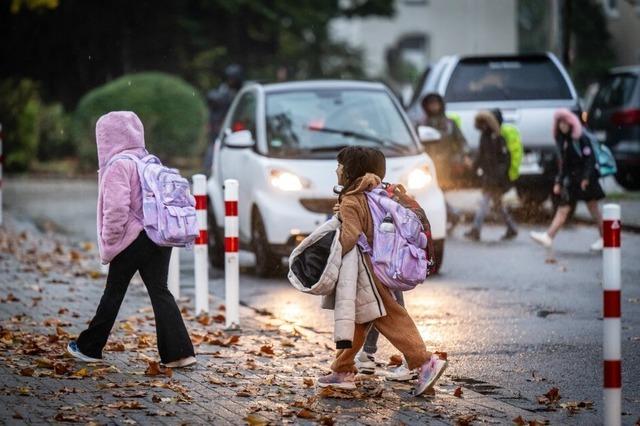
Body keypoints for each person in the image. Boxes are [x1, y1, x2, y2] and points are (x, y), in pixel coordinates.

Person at [67, 111, 196, 368]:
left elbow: (116, 210)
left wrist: (110, 241)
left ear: (107, 137)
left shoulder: (118, 165)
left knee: (114, 291)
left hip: (132, 238)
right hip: (159, 235)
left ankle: (89, 348)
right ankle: (179, 354)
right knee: (160, 291)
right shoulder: (150, 161)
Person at [317, 146, 447, 395]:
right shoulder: (374, 192)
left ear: (349, 172)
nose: (336, 170)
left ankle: (424, 361)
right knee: (359, 320)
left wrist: (331, 255)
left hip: (365, 270)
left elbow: (351, 235)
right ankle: (342, 369)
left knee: (390, 317)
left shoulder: (351, 199)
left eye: (340, 167)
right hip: (376, 266)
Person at [530, 109, 604, 250]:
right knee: (564, 209)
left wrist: (586, 178)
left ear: (571, 123)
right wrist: (559, 181)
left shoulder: (581, 138)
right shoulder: (565, 140)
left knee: (593, 210)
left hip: (585, 181)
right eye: (560, 123)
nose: (562, 125)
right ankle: (549, 236)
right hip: (574, 181)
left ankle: (605, 237)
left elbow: (590, 159)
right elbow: (565, 164)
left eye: (565, 122)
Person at [464, 111, 518, 241]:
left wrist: (499, 176)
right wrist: (474, 167)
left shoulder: (498, 138)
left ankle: (476, 229)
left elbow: (505, 159)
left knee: (484, 203)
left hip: (495, 179)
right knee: (498, 205)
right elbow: (481, 156)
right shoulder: (485, 136)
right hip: (489, 177)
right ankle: (511, 228)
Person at [420, 93, 469, 233]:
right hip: (425, 167)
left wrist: (460, 158)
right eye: (430, 104)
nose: (433, 106)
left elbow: (462, 143)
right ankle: (452, 215)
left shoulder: (450, 124)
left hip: (445, 167)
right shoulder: (421, 124)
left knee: (438, 194)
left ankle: (453, 215)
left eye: (436, 103)